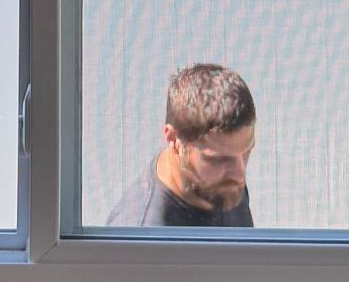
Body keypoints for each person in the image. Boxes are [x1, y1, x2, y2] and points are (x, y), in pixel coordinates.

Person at [106, 63, 256, 228]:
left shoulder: (224, 177)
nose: (239, 174)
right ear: (173, 140)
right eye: (218, 160)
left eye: (246, 153)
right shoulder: (144, 232)